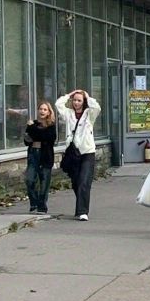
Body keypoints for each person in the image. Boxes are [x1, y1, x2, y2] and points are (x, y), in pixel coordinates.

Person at [55, 88, 101, 221]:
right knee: (76, 182)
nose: (76, 103)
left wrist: (87, 96)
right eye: (74, 100)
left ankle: (82, 211)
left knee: (84, 181)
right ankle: (81, 205)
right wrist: (69, 95)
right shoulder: (68, 113)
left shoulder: (89, 114)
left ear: (84, 102)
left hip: (87, 152)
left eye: (79, 100)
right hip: (73, 153)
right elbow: (58, 104)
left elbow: (97, 107)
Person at [24, 101, 57, 213]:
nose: (42, 111)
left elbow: (46, 137)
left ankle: (42, 206)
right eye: (41, 109)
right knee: (29, 180)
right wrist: (33, 132)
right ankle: (34, 203)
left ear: (49, 112)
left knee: (44, 183)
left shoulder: (51, 126)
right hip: (33, 154)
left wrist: (33, 129)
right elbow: (27, 139)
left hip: (45, 155)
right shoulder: (33, 124)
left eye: (45, 109)